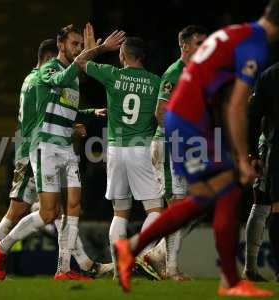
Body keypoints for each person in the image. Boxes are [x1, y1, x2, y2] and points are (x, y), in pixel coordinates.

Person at [115, 0, 279, 296]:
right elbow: (239, 104)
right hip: (189, 122)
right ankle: (230, 282)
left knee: (206, 196)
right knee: (226, 188)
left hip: (187, 119)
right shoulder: (253, 45)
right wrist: (243, 156)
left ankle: (133, 248)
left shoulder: (232, 34)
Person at [0, 38, 111, 280]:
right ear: (50, 58)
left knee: (56, 211)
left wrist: (88, 113)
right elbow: (45, 118)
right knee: (21, 211)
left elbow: (60, 111)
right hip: (35, 149)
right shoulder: (40, 79)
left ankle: (79, 263)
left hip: (32, 148)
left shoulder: (31, 80)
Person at [76, 28, 164, 279]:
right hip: (141, 148)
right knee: (155, 211)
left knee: (119, 213)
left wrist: (101, 49)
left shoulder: (112, 74)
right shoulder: (156, 82)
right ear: (142, 57)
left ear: (123, 55)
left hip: (115, 149)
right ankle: (142, 257)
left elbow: (80, 62)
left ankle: (119, 272)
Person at [149, 25, 207, 281]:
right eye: (198, 42)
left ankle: (157, 253)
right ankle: (171, 269)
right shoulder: (175, 73)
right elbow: (161, 113)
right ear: (184, 46)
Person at [245, 61, 279, 282]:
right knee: (265, 204)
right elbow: (253, 115)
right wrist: (254, 155)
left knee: (268, 205)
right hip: (272, 147)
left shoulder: (269, 75)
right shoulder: (270, 75)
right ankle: (250, 267)